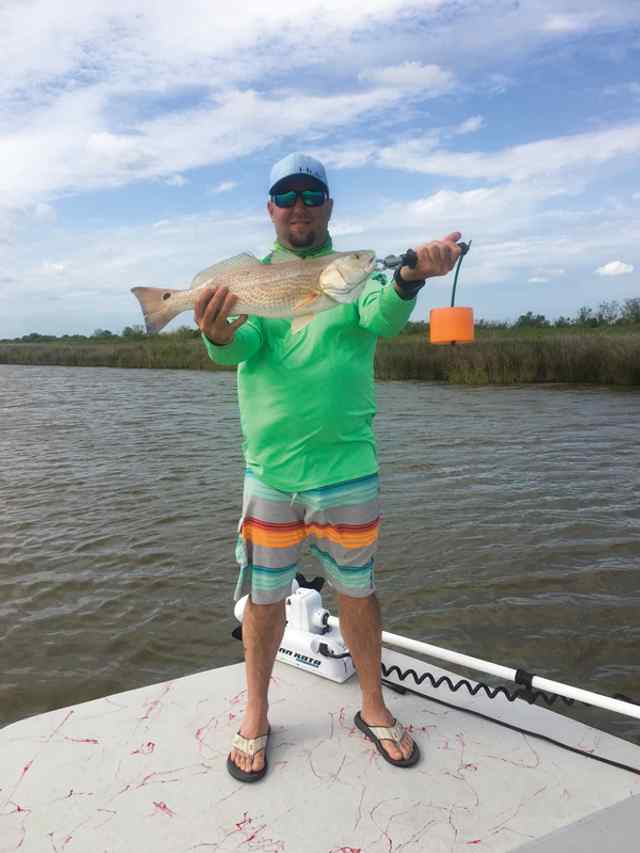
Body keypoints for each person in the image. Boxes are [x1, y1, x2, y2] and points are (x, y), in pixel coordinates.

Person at [195, 152, 462, 782]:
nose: (298, 207)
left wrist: (408, 278)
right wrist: (216, 329)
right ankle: (256, 714)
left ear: (328, 208)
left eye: (311, 196)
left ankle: (373, 707)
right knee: (262, 602)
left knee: (358, 591)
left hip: (347, 468)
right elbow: (241, 345)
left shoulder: (355, 274)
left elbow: (382, 315)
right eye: (286, 196)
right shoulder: (254, 279)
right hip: (271, 472)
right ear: (270, 209)